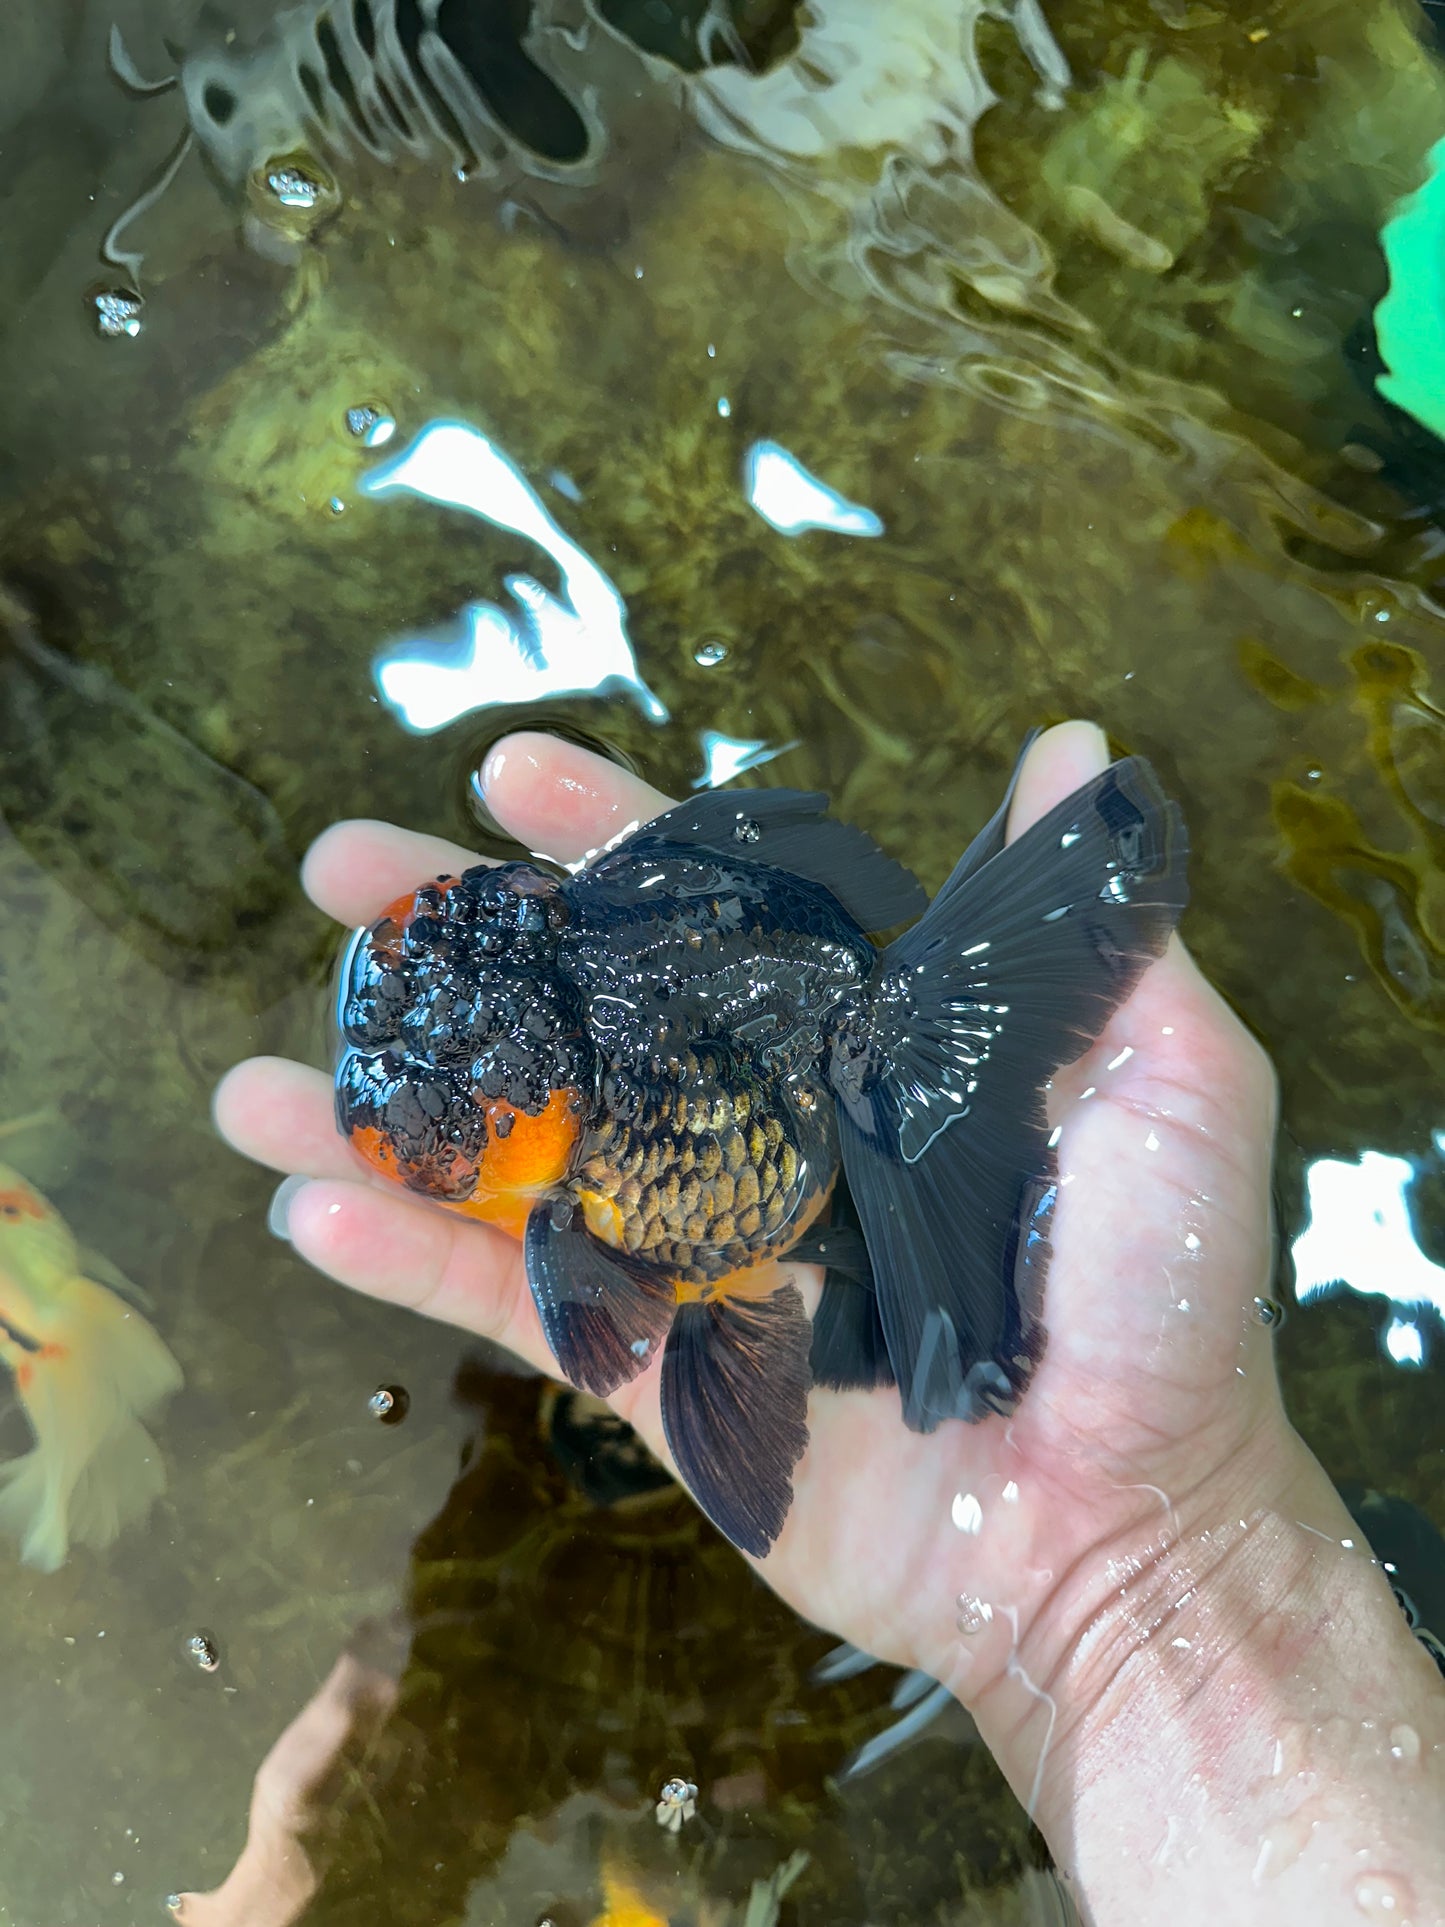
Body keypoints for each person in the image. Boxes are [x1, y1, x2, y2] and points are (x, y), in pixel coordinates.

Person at [215, 722, 1445, 1925]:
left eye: (433, 1111)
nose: (383, 1097)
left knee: (700, 1291)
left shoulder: (586, 1167)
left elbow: (600, 1324)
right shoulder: (582, 1001)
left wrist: (1132, 1564)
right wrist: (1149, 1570)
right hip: (796, 1089)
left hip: (799, 1139)